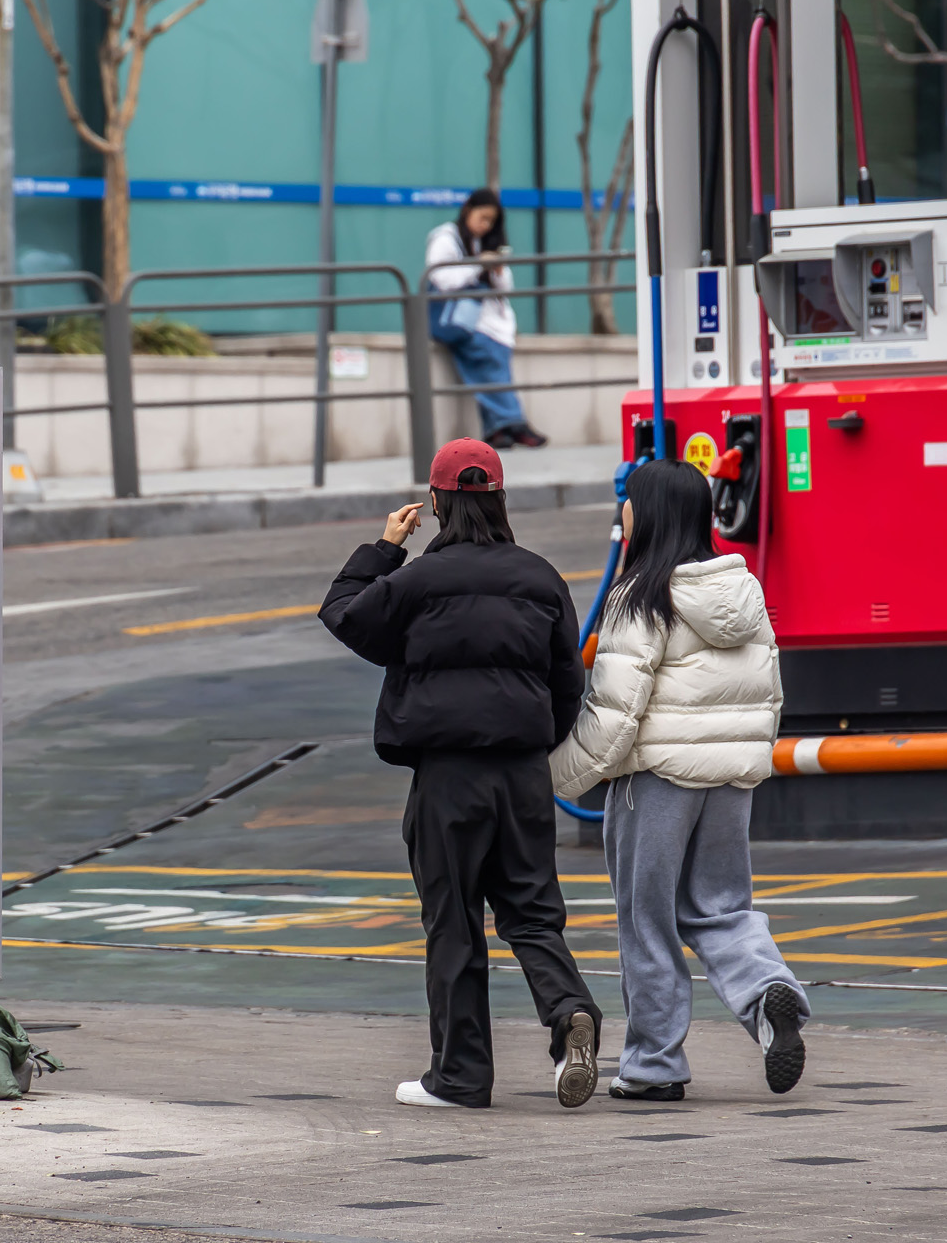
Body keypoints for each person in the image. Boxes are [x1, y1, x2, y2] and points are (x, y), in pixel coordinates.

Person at [320, 437, 601, 1110]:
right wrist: (534, 744)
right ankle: (569, 1011)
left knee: (453, 922)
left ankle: (461, 1076)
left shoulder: (417, 581)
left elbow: (343, 614)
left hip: (448, 776)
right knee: (532, 913)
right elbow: (568, 682)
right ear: (500, 499)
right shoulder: (541, 578)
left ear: (437, 502)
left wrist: (385, 548)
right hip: (522, 772)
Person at [550, 460, 808, 1102]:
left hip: (656, 781)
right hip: (731, 780)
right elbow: (770, 692)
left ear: (650, 513)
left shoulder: (639, 595)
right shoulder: (742, 591)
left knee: (648, 921)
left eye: (629, 501)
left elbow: (615, 711)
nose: (623, 511)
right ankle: (767, 994)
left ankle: (653, 1065)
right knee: (722, 908)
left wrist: (556, 777)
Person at [425, 189, 547, 450]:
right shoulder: (446, 238)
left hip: (490, 322)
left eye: (491, 220)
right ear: (468, 210)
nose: (486, 225)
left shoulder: (486, 242)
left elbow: (505, 288)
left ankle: (497, 431)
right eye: (483, 217)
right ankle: (514, 422)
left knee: (490, 370)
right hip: (463, 322)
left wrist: (497, 267)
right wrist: (479, 264)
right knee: (489, 364)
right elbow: (441, 278)